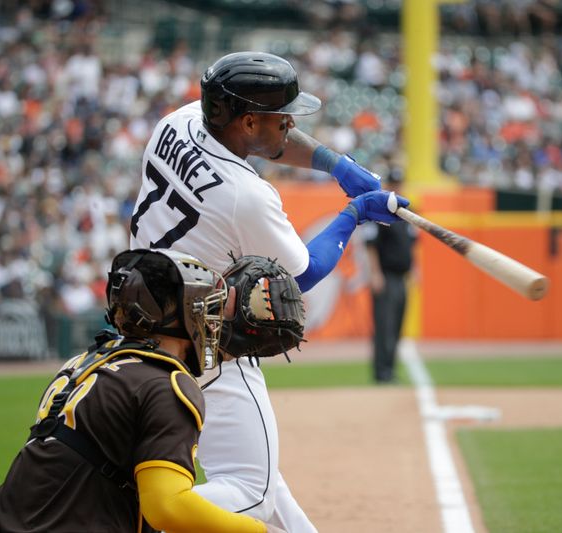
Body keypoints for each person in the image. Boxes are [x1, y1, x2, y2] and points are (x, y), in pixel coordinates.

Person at [129, 51, 409, 531]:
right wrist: (354, 214)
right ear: (248, 120)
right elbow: (301, 276)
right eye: (281, 118)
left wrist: (334, 164)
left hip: (140, 327)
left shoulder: (176, 123)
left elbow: (270, 141)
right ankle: (136, 520)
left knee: (265, 486)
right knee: (250, 493)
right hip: (209, 349)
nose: (288, 125)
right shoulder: (245, 195)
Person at [0, 248, 281, 533]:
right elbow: (167, 507)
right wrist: (257, 529)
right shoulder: (164, 385)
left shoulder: (80, 364)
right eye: (203, 308)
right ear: (185, 316)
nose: (209, 320)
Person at [364, 169, 417, 384]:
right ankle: (381, 372)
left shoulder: (407, 212)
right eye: (394, 183)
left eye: (400, 182)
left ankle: (390, 369)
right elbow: (371, 246)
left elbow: (412, 245)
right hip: (385, 276)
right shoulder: (380, 213)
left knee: (396, 325)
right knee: (384, 325)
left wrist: (414, 269)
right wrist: (375, 273)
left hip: (401, 276)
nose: (398, 187)